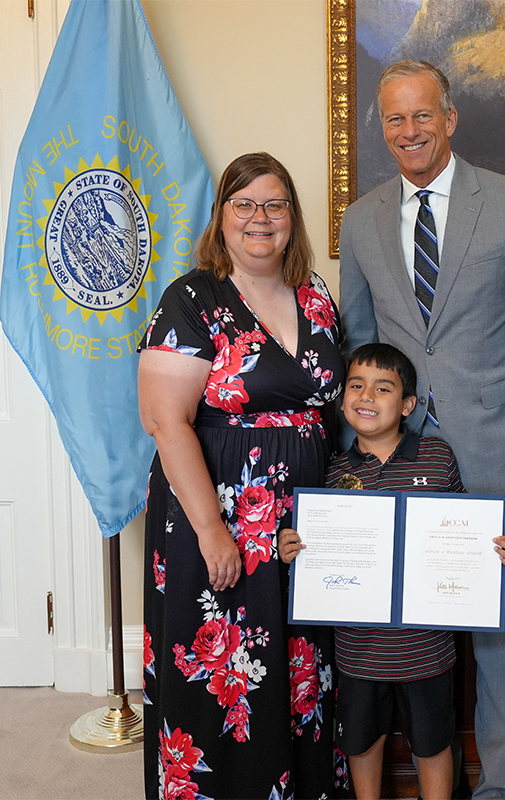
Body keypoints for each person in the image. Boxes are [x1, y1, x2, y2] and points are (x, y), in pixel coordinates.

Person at [338, 59, 505, 799]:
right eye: (394, 119)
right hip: (393, 462)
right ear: (384, 128)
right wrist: (354, 464)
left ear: (449, 118)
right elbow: (359, 343)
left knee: (500, 639)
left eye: (421, 116)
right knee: (397, 631)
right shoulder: (362, 217)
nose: (409, 131)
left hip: (498, 452)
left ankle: (501, 787)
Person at [137, 152, 345, 800]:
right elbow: (166, 423)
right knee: (224, 681)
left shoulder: (316, 294)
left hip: (300, 528)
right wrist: (212, 533)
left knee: (299, 675)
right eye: (244, 204)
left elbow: (335, 407)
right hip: (218, 521)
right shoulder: (191, 299)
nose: (260, 218)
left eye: (274, 204)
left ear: (292, 217)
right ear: (221, 217)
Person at [279, 342, 505, 800]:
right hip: (357, 650)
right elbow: (315, 551)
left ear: (408, 405)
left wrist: (494, 549)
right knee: (361, 740)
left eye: (383, 388)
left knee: (432, 744)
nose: (366, 396)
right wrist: (295, 549)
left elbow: (464, 535)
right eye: (356, 385)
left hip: (426, 649)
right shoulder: (331, 471)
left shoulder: (437, 456)